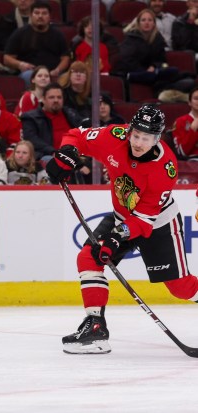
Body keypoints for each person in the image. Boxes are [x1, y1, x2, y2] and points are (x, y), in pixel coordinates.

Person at [45, 104, 198, 354]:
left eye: (146, 138)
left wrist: (116, 237)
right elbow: (77, 135)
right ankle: (95, 330)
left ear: (157, 138)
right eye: (135, 134)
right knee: (88, 257)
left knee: (181, 288)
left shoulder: (165, 168)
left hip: (158, 223)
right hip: (121, 216)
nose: (138, 142)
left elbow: (144, 219)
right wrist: (67, 154)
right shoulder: (114, 136)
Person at [3, 1, 70, 83]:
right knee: (29, 76)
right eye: (37, 13)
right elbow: (7, 58)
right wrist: (20, 64)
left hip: (52, 73)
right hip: (30, 73)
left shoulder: (58, 34)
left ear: (49, 17)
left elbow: (65, 58)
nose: (40, 16)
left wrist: (58, 70)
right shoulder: (20, 33)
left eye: (44, 13)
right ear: (31, 15)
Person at [21, 83, 83, 162]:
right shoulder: (31, 118)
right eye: (51, 97)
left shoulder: (71, 114)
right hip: (48, 156)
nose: (56, 100)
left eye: (59, 97)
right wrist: (53, 152)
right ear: (43, 99)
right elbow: (32, 140)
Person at [172, 86, 198, 158]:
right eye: (196, 98)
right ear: (189, 102)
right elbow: (181, 152)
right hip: (193, 160)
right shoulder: (180, 121)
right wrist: (193, 129)